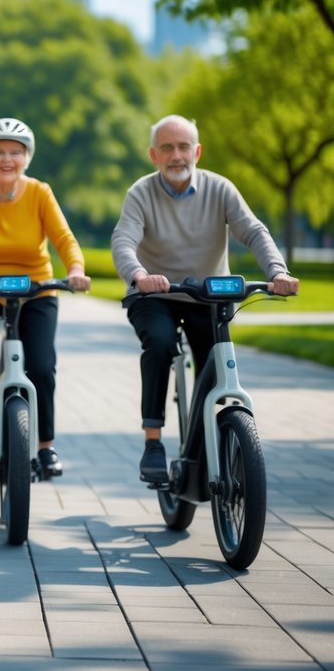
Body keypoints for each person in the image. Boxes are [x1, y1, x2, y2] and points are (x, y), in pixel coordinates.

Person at [111, 114, 299, 484]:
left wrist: (277, 272)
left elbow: (253, 231)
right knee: (161, 344)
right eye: (167, 147)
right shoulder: (140, 193)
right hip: (156, 293)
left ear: (197, 151)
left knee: (214, 370)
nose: (176, 155)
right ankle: (153, 442)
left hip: (208, 297)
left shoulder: (220, 188)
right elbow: (123, 241)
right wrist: (139, 276)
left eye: (183, 147)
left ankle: (208, 444)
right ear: (154, 155)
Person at [0, 118, 91, 481]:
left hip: (35, 289)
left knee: (41, 366)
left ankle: (45, 445)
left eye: (15, 152)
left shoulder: (40, 192)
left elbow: (65, 239)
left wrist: (74, 268)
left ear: (27, 157)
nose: (7, 159)